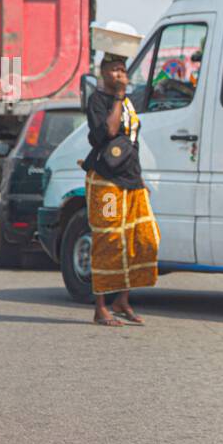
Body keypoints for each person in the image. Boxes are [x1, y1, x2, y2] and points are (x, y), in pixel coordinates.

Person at [82, 52, 160, 326]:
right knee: (109, 242)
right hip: (106, 183)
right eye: (114, 69)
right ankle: (100, 307)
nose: (119, 74)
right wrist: (117, 96)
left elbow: (132, 143)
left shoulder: (127, 102)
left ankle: (122, 299)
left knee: (143, 239)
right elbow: (110, 133)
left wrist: (140, 181)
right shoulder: (98, 101)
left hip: (130, 181)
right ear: (103, 73)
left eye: (122, 69)